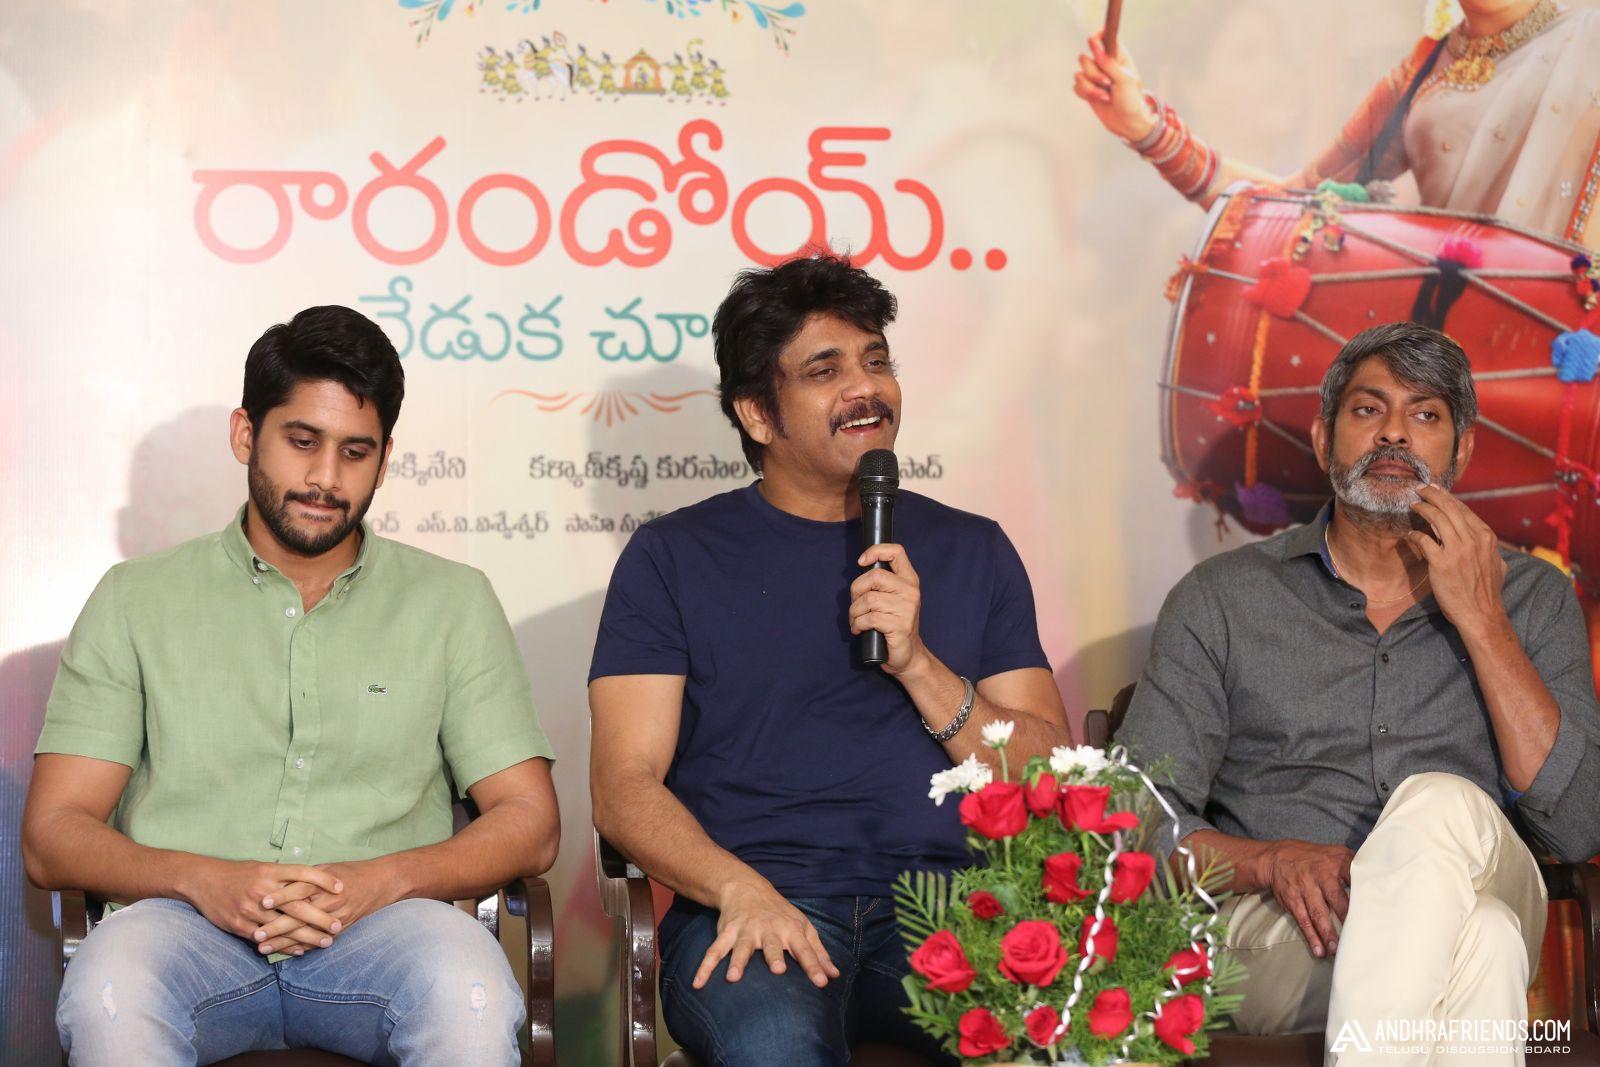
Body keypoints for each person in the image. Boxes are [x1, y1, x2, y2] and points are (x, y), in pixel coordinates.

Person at [22, 305, 559, 1066]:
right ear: (246, 434)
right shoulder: (136, 599)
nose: (325, 479)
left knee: (469, 992)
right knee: (114, 992)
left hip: (387, 929)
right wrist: (205, 880)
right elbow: (53, 832)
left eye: (355, 452)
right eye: (301, 442)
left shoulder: (453, 602)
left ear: (385, 458)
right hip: (182, 928)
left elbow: (531, 821)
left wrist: (379, 880)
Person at [587, 252, 1073, 1066]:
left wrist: (919, 664)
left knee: (1063, 1039)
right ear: (758, 414)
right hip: (755, 904)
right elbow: (623, 787)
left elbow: (1048, 779)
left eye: (876, 361)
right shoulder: (672, 557)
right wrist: (738, 888)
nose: (866, 388)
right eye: (826, 370)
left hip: (950, 909)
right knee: (778, 1045)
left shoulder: (974, 548)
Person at [1120, 321, 1600, 1064]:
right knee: (1486, 942)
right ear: (1324, 439)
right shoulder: (1221, 599)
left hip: (1487, 876)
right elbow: (1136, 826)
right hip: (1281, 928)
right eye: (1369, 409)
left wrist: (1482, 618)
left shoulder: (1532, 597)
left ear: (1462, 450)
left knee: (1442, 802)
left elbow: (1578, 826)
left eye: (1426, 413)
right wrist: (1270, 860)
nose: (1395, 433)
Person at [1074, 0, 1600, 247]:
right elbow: (1294, 202)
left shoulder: (1590, 38)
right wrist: (1147, 129)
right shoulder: (1419, 78)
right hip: (1466, 366)